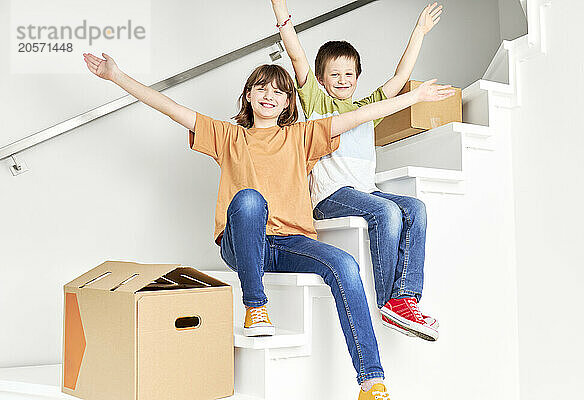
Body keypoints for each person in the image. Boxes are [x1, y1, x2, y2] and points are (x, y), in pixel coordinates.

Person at [83, 51, 454, 400]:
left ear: (289, 103)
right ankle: (255, 305)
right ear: (248, 96)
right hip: (244, 243)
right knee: (248, 199)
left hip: (289, 242)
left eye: (279, 91)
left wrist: (414, 97)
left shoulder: (301, 136)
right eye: (262, 88)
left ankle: (371, 382)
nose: (270, 96)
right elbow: (170, 108)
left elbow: (358, 116)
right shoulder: (228, 136)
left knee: (346, 265)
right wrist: (117, 76)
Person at [270, 0, 445, 349]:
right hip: (329, 197)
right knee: (385, 211)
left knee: (415, 208)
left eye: (349, 74)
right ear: (321, 80)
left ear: (357, 78)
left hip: (364, 190)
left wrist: (419, 32)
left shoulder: (368, 109)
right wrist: (280, 9)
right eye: (334, 74)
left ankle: (406, 297)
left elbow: (399, 78)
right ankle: (388, 301)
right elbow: (296, 57)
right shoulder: (319, 105)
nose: (342, 80)